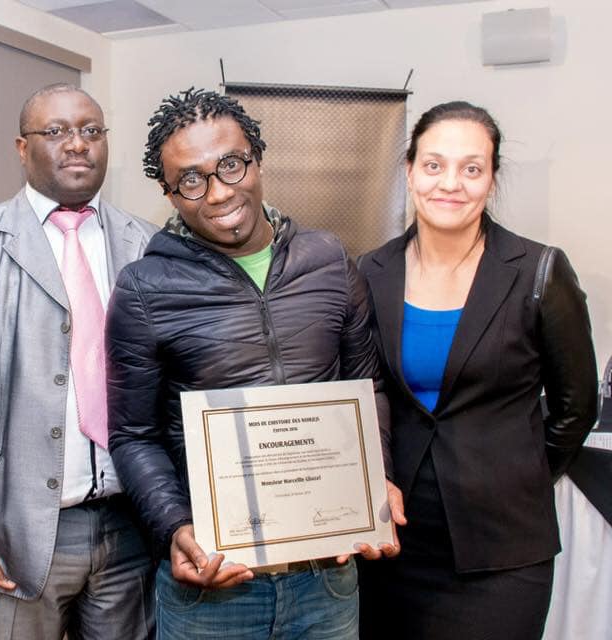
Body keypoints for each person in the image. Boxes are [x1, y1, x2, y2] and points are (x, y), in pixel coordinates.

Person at [105, 87, 400, 640]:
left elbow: (368, 387)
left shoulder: (330, 261)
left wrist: (376, 477)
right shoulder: (145, 288)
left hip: (327, 577)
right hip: (213, 585)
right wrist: (174, 527)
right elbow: (133, 435)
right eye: (191, 180)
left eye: (230, 165)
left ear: (257, 160)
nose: (218, 192)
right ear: (170, 193)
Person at [357, 101, 597, 639]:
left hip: (503, 550)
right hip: (394, 544)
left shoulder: (538, 271)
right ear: (409, 172)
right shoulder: (371, 270)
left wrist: (520, 473)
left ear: (491, 179)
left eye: (471, 168)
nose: (451, 183)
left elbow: (576, 407)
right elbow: (365, 390)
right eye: (434, 165)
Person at [0, 83, 157, 640]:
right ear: (22, 147)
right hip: (14, 533)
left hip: (131, 529)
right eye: (56, 131)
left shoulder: (146, 243)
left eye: (91, 131)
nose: (77, 144)